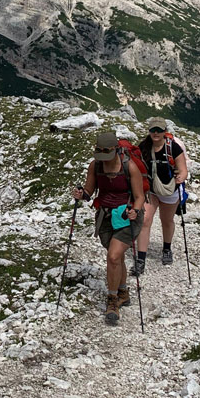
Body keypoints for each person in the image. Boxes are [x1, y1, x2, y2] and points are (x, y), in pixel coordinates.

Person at [73, 131, 145, 326]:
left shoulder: (129, 166)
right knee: (116, 257)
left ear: (116, 149)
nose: (103, 158)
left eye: (107, 153)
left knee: (113, 256)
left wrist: (135, 211)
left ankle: (112, 301)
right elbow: (89, 191)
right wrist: (81, 194)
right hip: (105, 217)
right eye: (100, 152)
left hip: (127, 217)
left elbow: (139, 196)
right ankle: (123, 292)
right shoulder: (95, 166)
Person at [132, 118, 188, 274]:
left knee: (166, 220)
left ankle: (167, 248)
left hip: (170, 190)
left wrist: (181, 177)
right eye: (153, 130)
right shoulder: (143, 147)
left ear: (165, 131)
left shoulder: (173, 148)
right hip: (150, 190)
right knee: (145, 219)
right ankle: (141, 259)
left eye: (159, 130)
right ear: (149, 131)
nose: (156, 133)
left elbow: (183, 169)